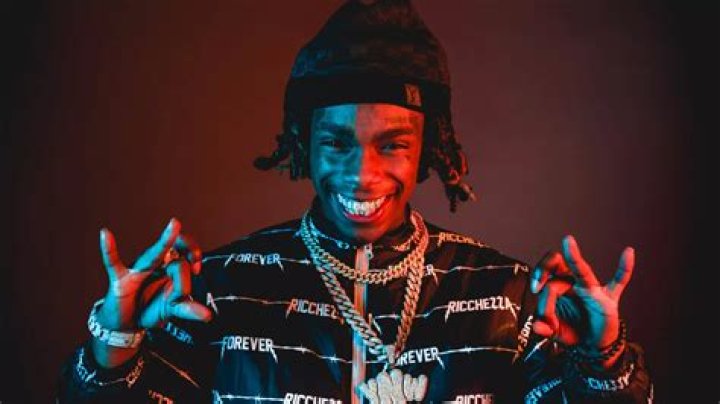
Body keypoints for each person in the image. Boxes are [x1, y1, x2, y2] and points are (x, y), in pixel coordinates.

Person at [58, 0, 652, 402]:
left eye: (392, 144)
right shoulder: (221, 289)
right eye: (336, 142)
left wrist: (602, 358)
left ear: (428, 150)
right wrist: (115, 340)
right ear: (304, 145)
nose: (363, 175)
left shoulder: (509, 296)